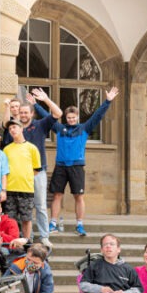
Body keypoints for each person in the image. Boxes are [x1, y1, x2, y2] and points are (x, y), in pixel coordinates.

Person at [50, 87, 119, 236]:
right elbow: (47, 117)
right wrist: (39, 102)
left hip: (77, 166)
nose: (71, 120)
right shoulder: (59, 128)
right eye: (69, 118)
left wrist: (107, 101)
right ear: (65, 118)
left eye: (73, 118)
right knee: (57, 195)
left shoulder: (84, 128)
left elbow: (97, 116)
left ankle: (79, 224)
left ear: (77, 117)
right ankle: (53, 223)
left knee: (79, 196)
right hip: (61, 166)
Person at [3, 90, 61, 249]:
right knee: (22, 210)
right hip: (18, 177)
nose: (23, 115)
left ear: (31, 113)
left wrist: (46, 99)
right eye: (20, 112)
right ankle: (26, 237)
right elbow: (4, 124)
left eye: (25, 112)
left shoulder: (40, 124)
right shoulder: (14, 129)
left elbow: (58, 113)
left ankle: (44, 236)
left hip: (38, 172)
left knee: (40, 205)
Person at [2, 119, 41, 243]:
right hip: (10, 189)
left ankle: (26, 242)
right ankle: (11, 242)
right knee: (11, 220)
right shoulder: (7, 149)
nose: (12, 130)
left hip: (26, 189)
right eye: (10, 128)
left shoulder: (32, 148)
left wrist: (24, 177)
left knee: (26, 218)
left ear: (21, 128)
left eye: (15, 127)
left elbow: (36, 169)